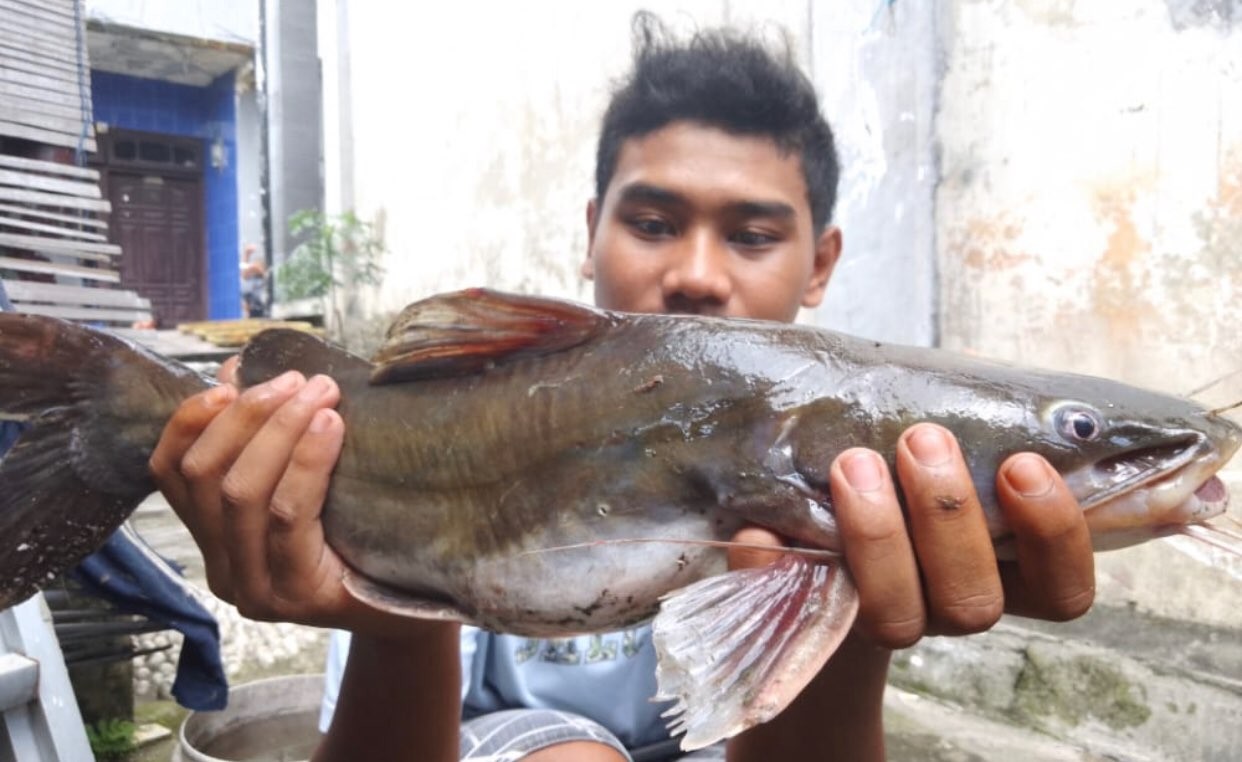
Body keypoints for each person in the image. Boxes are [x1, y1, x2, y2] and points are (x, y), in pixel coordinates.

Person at [148, 16, 1096, 762]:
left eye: (753, 235)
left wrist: (848, 634)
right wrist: (387, 622)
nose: (696, 273)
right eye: (653, 221)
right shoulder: (481, 413)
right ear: (593, 228)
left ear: (822, 265)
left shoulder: (843, 494)